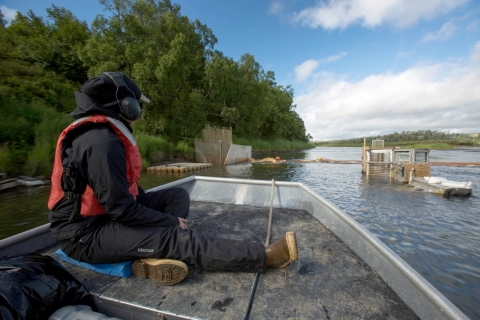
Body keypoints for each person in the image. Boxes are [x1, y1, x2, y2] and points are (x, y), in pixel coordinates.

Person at [48, 72, 298, 286]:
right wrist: (169, 221)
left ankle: (149, 253)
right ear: (126, 106)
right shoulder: (101, 142)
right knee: (176, 237)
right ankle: (263, 256)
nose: (139, 109)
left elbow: (120, 194)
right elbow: (121, 210)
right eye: (136, 104)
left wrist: (162, 216)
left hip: (106, 216)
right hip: (84, 234)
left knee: (177, 195)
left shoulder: (104, 135)